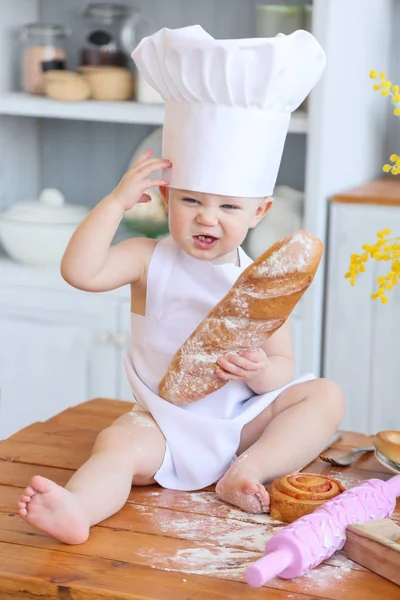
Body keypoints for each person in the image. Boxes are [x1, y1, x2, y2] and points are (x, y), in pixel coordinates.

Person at [18, 26, 345, 544]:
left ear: (260, 211)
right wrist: (114, 205)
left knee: (324, 395)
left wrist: (261, 373)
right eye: (191, 201)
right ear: (166, 198)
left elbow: (282, 366)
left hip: (239, 423)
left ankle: (249, 471)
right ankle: (78, 507)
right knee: (116, 446)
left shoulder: (258, 282)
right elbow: (79, 273)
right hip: (163, 425)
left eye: (229, 207)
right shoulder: (148, 260)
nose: (206, 219)